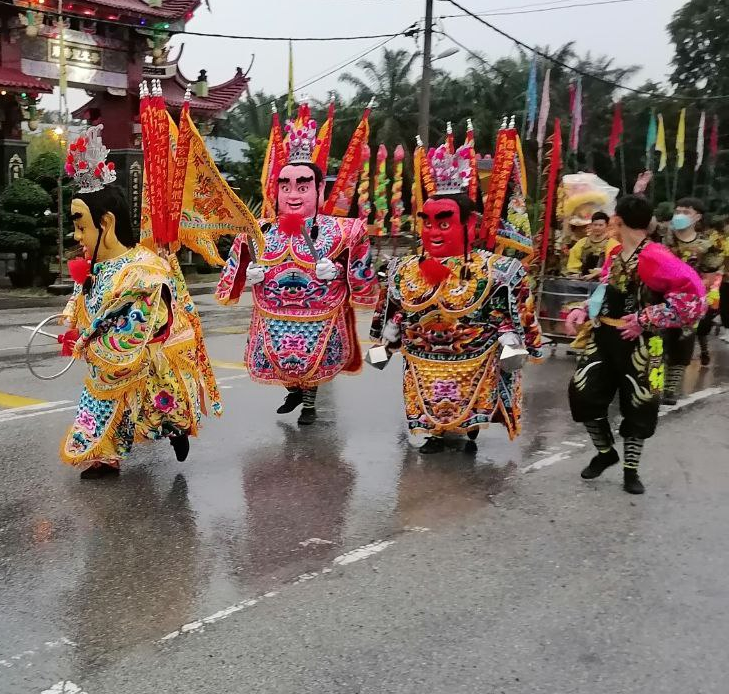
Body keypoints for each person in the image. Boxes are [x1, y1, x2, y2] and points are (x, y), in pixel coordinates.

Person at [59, 127, 220, 478]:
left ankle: (176, 430)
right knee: (103, 398)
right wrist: (72, 317)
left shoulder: (144, 272)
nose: (76, 236)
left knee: (160, 408)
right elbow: (82, 293)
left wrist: (90, 344)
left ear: (107, 223)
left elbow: (134, 330)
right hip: (103, 358)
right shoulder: (96, 262)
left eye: (81, 226)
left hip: (145, 358)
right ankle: (105, 456)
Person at [370, 136, 544, 453]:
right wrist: (386, 341)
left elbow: (517, 314)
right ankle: (435, 433)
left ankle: (470, 426)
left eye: (444, 223)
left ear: (471, 224)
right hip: (423, 358)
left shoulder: (498, 270)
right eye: (427, 223)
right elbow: (392, 314)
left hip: (475, 355)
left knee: (474, 395)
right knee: (426, 395)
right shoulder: (403, 269)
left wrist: (514, 340)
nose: (433, 232)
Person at [214, 117, 377, 424]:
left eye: (302, 185)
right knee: (283, 362)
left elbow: (361, 270)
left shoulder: (343, 231)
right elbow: (236, 263)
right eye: (285, 185)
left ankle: (310, 403)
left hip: (321, 312)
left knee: (313, 362)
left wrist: (338, 273)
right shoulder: (259, 230)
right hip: (274, 314)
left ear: (319, 190)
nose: (292, 194)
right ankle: (293, 392)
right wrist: (250, 276)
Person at [565, 194, 706, 494]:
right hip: (604, 337)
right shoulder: (615, 253)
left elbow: (695, 299)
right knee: (582, 392)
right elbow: (605, 289)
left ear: (617, 220)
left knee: (639, 403)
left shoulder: (656, 256)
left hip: (643, 344)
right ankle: (606, 453)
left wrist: (647, 317)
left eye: (613, 219)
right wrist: (582, 309)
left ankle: (631, 471)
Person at [661, 197, 722, 378]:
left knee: (683, 339)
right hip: (661, 296)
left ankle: (672, 384)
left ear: (697, 217)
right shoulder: (664, 238)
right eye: (678, 211)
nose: (680, 215)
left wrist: (686, 291)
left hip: (690, 301)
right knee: (660, 340)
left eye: (686, 212)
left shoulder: (708, 246)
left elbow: (709, 278)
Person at [563, 211, 619, 278]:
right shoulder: (582, 242)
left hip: (602, 280)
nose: (597, 228)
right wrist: (575, 274)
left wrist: (599, 274)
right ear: (591, 225)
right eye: (595, 225)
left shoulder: (613, 244)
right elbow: (573, 264)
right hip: (581, 279)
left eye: (600, 225)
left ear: (606, 226)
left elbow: (612, 267)